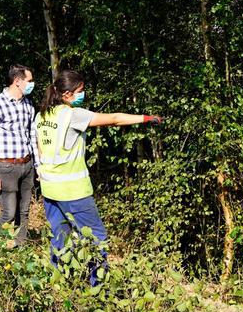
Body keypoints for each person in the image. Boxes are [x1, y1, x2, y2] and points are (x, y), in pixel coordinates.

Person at [32, 69, 162, 285]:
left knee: (60, 238)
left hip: (49, 189)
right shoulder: (72, 115)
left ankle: (59, 283)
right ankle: (98, 287)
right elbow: (114, 119)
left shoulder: (42, 116)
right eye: (80, 91)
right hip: (73, 191)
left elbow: (40, 148)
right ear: (66, 95)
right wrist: (146, 118)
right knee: (96, 239)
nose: (83, 95)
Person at [0, 64, 40, 247]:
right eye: (29, 81)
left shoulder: (28, 105)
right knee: (8, 213)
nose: (32, 84)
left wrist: (37, 165)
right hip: (6, 167)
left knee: (24, 211)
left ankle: (20, 247)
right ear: (17, 81)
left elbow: (31, 136)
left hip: (27, 165)